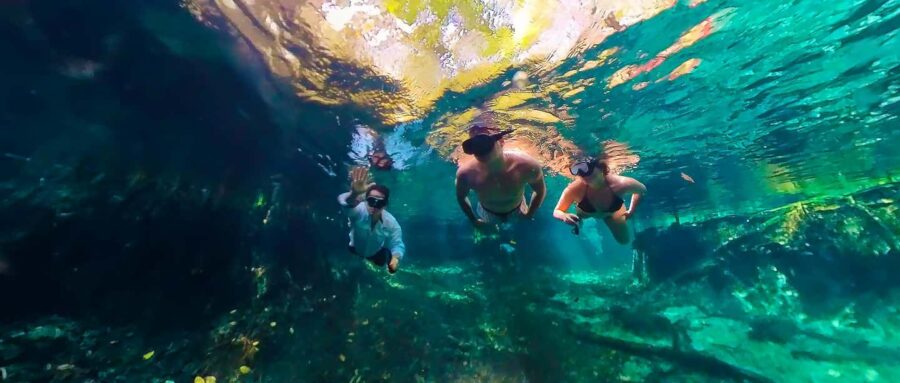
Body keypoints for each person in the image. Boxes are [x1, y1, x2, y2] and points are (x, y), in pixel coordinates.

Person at [455, 124, 547, 227]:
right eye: (474, 145)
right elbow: (461, 197)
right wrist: (473, 220)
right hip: (487, 212)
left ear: (501, 142)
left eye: (485, 143)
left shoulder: (527, 165)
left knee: (515, 228)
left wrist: (530, 213)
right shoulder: (465, 174)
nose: (480, 150)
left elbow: (540, 191)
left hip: (518, 208)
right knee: (492, 231)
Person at [553, 156, 646, 244]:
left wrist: (631, 210)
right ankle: (580, 220)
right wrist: (564, 216)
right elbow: (557, 211)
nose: (585, 176)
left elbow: (642, 190)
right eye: (581, 175)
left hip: (613, 213)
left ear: (602, 169)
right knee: (579, 219)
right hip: (585, 214)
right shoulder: (574, 189)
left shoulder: (622, 184)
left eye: (589, 172)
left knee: (624, 241)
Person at [338, 167, 405, 273]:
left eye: (380, 203)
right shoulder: (359, 210)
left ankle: (384, 254)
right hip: (355, 248)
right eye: (371, 201)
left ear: (385, 205)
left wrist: (395, 258)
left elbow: (397, 243)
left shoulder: (391, 222)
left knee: (381, 262)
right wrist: (354, 194)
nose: (374, 206)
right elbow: (345, 205)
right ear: (365, 200)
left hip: (376, 253)